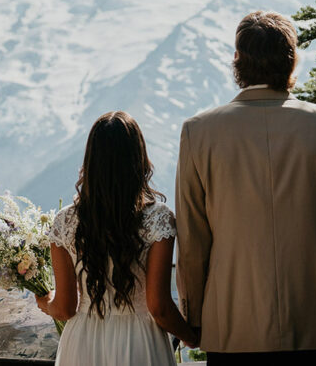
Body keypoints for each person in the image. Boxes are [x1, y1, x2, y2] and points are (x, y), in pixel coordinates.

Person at [175, 11, 316, 366]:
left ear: (237, 61)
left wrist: (196, 318)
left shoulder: (198, 132)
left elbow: (192, 242)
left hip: (231, 327)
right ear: (293, 59)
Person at [36, 111, 200, 365]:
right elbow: (158, 307)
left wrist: (45, 301)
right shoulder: (158, 219)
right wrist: (190, 337)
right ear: (138, 159)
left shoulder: (65, 222)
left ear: (91, 161)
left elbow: (65, 308)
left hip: (82, 345)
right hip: (140, 343)